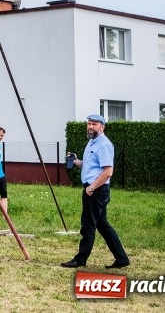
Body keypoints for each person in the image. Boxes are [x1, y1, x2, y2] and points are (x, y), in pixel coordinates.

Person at [61, 114, 131, 269]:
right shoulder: (92, 143)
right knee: (102, 225)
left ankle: (80, 259)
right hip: (93, 189)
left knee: (88, 226)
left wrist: (91, 188)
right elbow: (90, 166)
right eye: (89, 124)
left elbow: (108, 172)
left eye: (94, 124)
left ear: (102, 127)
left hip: (95, 190)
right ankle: (121, 258)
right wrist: (75, 160)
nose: (90, 127)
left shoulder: (104, 145)